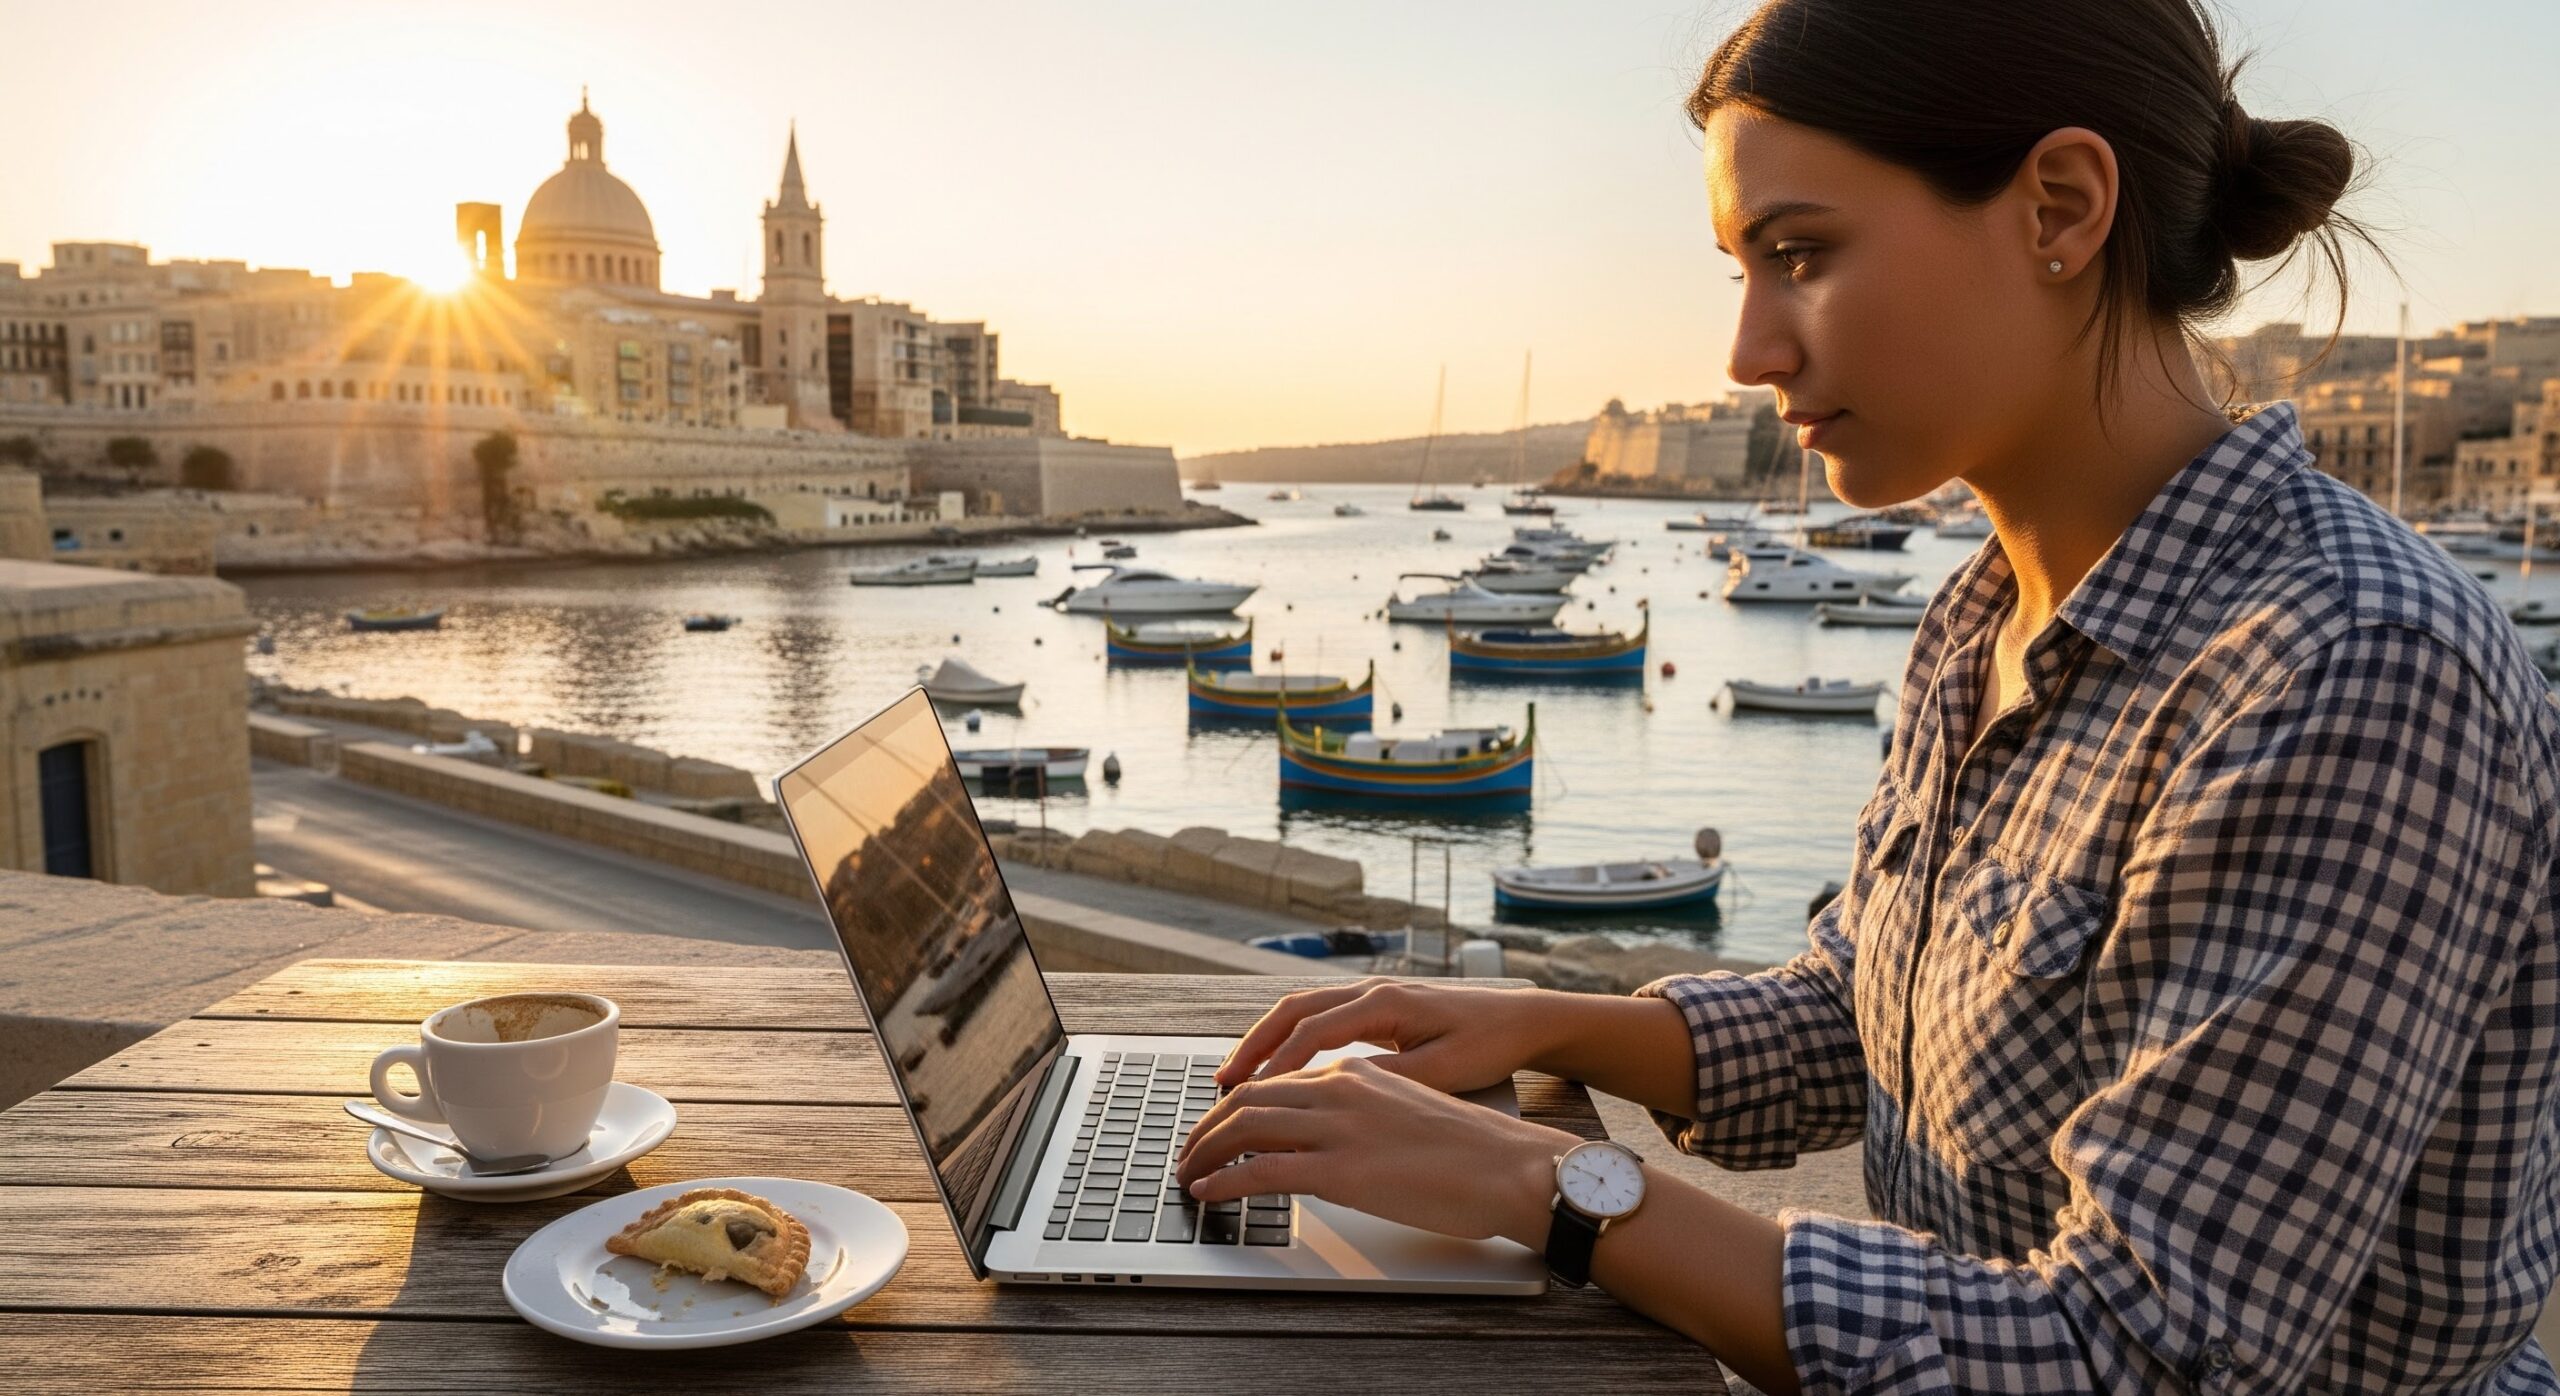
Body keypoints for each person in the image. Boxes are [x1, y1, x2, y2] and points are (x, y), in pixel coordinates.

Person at [1173, 1, 2560, 1392]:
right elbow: (1868, 1022)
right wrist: (1536, 1022)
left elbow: (2136, 1357)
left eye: (1800, 256)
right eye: (1741, 269)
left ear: (2060, 210)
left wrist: (1557, 1182)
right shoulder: (1982, 622)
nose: (1749, 350)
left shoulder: (2352, 669)